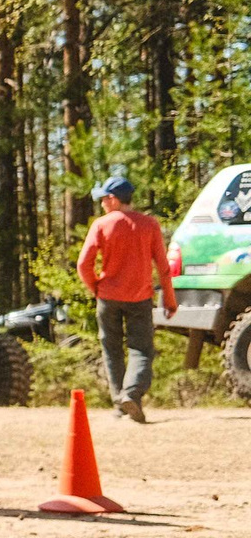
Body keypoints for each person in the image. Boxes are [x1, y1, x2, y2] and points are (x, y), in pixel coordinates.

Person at [77, 170, 177, 423]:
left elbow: (83, 264)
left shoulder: (101, 224)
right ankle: (131, 394)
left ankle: (120, 404)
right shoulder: (150, 224)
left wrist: (96, 288)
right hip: (140, 297)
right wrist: (170, 299)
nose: (101, 204)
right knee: (141, 350)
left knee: (112, 350)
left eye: (103, 199)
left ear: (113, 199)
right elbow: (163, 266)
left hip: (108, 297)